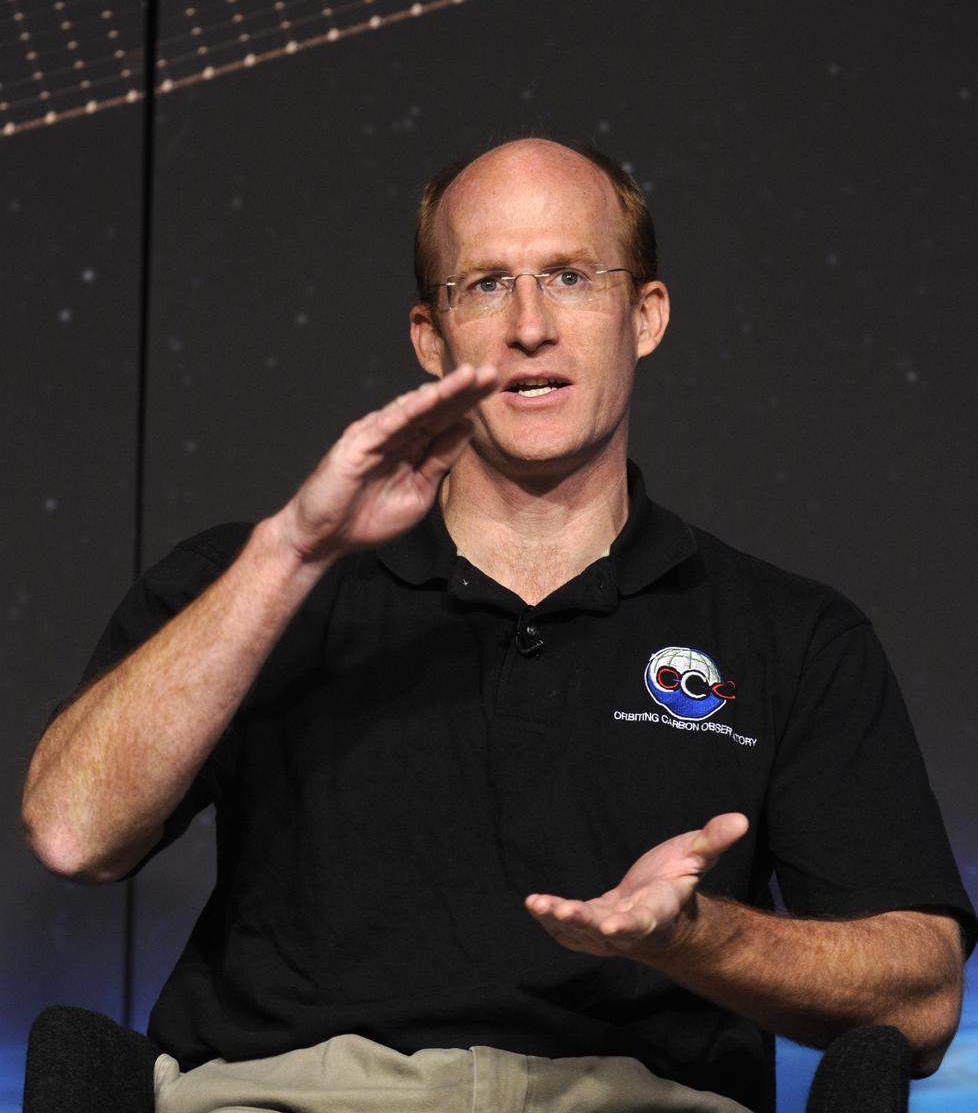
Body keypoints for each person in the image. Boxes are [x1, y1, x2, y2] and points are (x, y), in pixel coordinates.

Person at [22, 138, 974, 1113]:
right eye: (485, 284)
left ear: (644, 314)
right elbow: (70, 828)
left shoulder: (790, 632)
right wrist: (289, 555)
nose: (528, 325)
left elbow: (928, 992)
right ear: (431, 338)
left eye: (569, 275)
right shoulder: (257, 579)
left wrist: (698, 936)